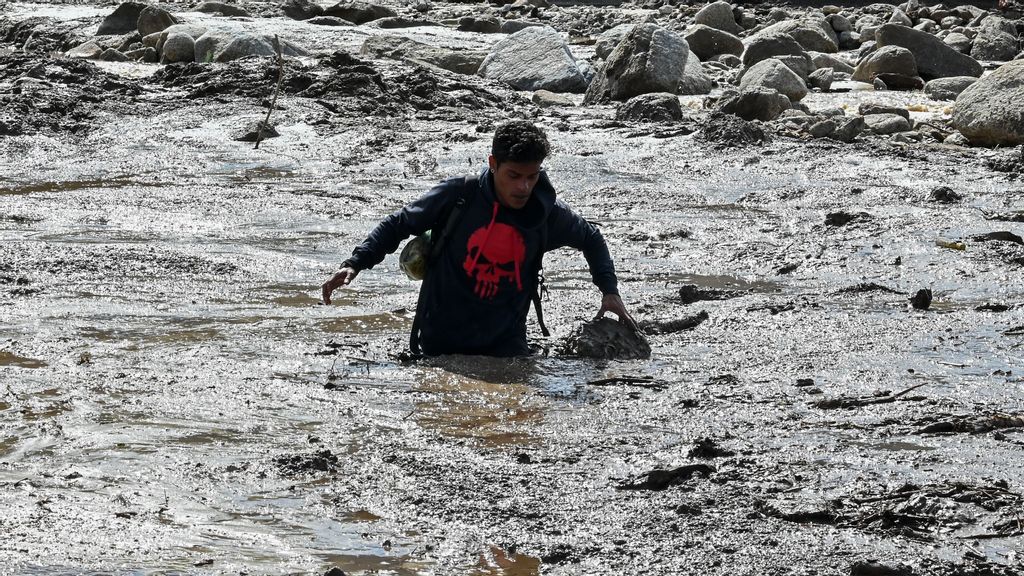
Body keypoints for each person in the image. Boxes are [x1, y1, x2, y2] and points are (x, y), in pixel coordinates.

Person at [321, 120, 636, 357]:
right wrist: (356, 263)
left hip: (507, 348)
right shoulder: (459, 196)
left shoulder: (546, 214)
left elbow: (592, 237)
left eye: (532, 176)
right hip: (439, 343)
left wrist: (610, 291)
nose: (524, 187)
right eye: (514, 175)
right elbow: (399, 223)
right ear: (492, 164)